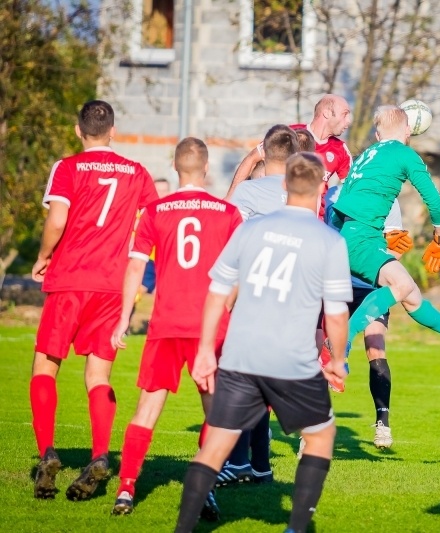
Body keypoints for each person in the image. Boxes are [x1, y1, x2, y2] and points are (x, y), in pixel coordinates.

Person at [174, 152, 352, 533]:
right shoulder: (329, 240)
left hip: (240, 356)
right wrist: (337, 359)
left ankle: (183, 528)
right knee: (320, 435)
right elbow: (336, 314)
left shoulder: (250, 229)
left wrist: (206, 349)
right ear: (323, 188)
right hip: (292, 360)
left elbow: (217, 292)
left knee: (215, 445)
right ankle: (297, 526)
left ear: (284, 185)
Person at [29, 100, 159, 500]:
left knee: (45, 366)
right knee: (98, 376)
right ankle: (100, 455)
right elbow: (151, 223)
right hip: (111, 285)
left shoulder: (67, 167)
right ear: (113, 131)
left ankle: (47, 453)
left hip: (69, 279)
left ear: (77, 130)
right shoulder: (137, 173)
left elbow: (57, 219)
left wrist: (43, 256)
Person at [107, 138, 242, 517]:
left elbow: (135, 267)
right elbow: (238, 273)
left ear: (174, 165)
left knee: (147, 409)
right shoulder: (227, 212)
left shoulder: (154, 210)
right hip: (209, 328)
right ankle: (205, 489)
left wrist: (123, 317)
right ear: (207, 166)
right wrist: (228, 308)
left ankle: (126, 489)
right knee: (215, 414)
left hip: (166, 323)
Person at [321, 105, 440, 373]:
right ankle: (343, 341)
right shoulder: (405, 154)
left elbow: (342, 201)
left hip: (347, 236)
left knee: (410, 293)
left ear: (378, 135)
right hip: (364, 238)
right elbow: (435, 203)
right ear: (409, 131)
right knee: (400, 286)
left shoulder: (365, 155)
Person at [215, 124, 300, 488]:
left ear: (265, 152)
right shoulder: (304, 193)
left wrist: (250, 160)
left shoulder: (249, 190)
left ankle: (238, 461)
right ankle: (261, 465)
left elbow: (225, 219)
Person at [323, 184, 412, 448]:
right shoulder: (336, 195)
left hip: (372, 286)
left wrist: (393, 253)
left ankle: (382, 424)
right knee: (324, 350)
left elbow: (393, 251)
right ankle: (313, 430)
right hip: (339, 284)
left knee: (376, 347)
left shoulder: (389, 200)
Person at [225, 94, 352, 220]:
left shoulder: (341, 150)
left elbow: (353, 188)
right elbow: (252, 157)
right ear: (327, 113)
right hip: (278, 218)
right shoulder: (290, 134)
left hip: (313, 224)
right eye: (345, 114)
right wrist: (230, 197)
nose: (348, 121)